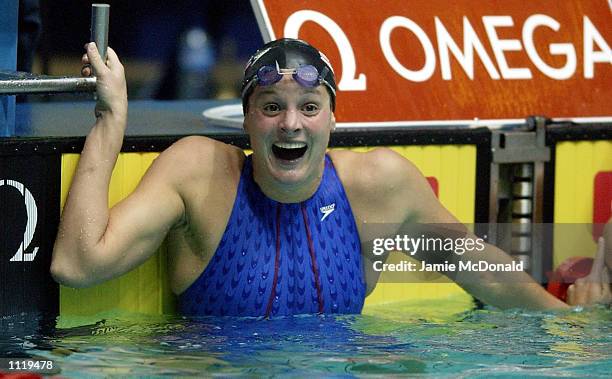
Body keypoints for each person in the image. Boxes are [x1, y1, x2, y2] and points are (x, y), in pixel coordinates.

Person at [52, 38, 579, 317]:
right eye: (271, 106)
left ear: (332, 120)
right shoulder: (201, 173)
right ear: (246, 120)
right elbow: (77, 263)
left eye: (309, 106)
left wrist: (567, 328)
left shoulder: (380, 185)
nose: (290, 123)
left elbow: (481, 271)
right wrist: (111, 120)